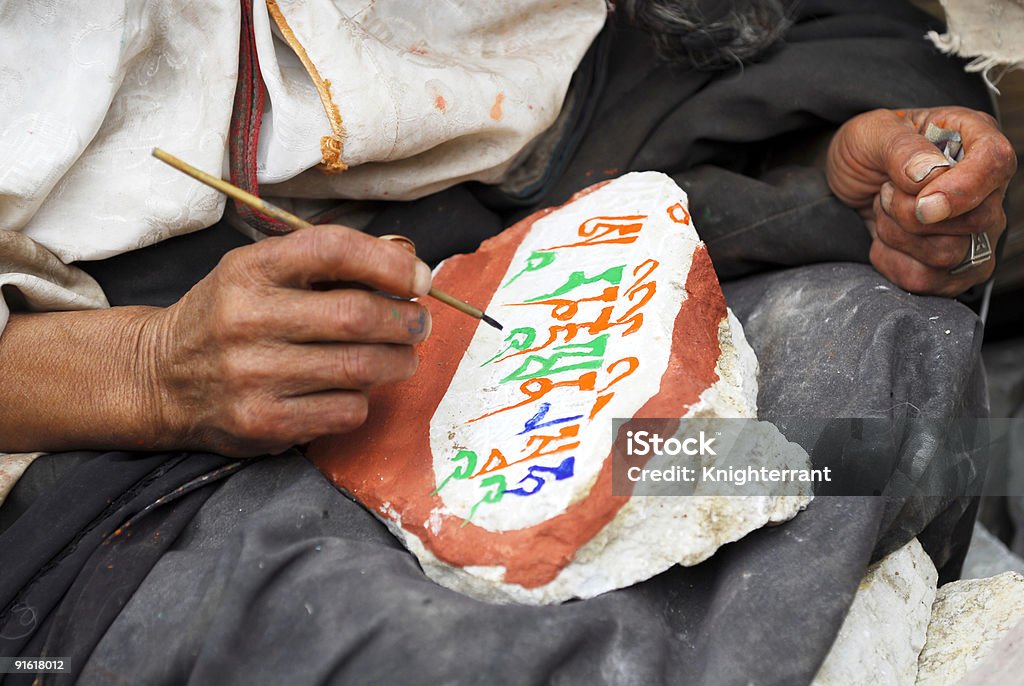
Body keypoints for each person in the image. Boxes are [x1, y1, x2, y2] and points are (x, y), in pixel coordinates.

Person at [0, 1, 1017, 684]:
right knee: (409, 647)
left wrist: (856, 179)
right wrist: (147, 369)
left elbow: (732, 66)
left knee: (877, 386)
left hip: (523, 273)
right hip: (117, 426)